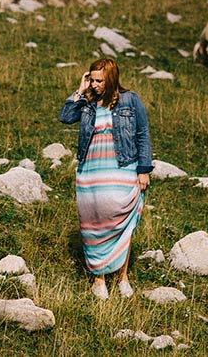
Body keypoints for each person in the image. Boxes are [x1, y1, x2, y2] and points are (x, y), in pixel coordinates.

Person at [58, 57, 153, 299]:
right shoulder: (88, 103)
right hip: (91, 173)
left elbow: (143, 134)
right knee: (94, 225)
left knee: (123, 225)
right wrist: (79, 91)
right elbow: (65, 117)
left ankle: (122, 277)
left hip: (123, 169)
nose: (95, 84)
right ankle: (99, 279)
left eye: (99, 80)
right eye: (92, 79)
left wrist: (143, 170)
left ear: (111, 78)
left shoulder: (131, 101)